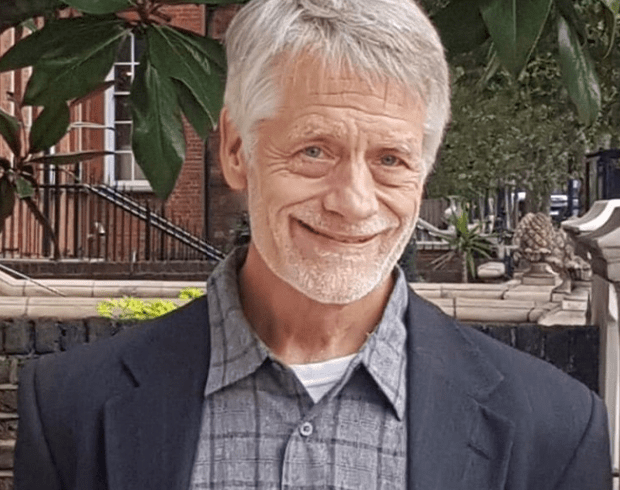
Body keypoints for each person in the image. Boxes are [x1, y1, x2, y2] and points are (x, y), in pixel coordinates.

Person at [15, 0, 612, 488]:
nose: (353, 201)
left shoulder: (554, 431)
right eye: (314, 150)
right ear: (236, 151)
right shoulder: (73, 409)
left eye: (390, 159)